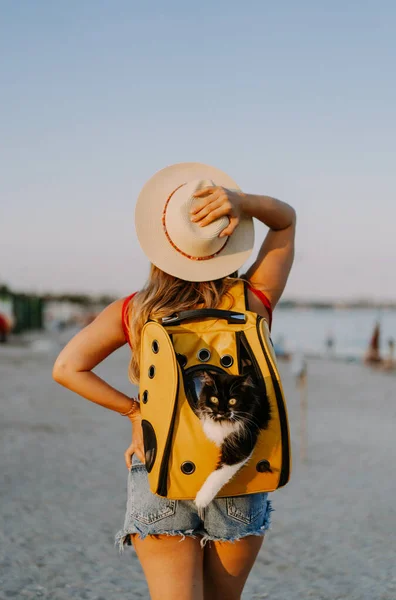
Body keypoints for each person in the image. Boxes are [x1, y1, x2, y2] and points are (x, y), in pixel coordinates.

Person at [53, 162, 296, 600]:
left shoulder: (135, 311)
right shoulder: (252, 302)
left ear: (159, 244)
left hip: (159, 466)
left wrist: (135, 412)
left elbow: (67, 368)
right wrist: (243, 203)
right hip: (235, 471)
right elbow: (287, 220)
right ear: (227, 242)